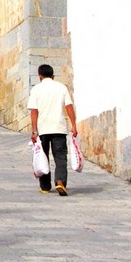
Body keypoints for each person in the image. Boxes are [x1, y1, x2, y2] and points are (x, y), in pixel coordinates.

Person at [27, 64, 78, 196]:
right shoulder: (61, 87)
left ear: (40, 76)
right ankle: (60, 181)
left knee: (42, 156)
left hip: (42, 129)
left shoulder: (36, 89)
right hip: (59, 128)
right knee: (60, 156)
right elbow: (69, 106)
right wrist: (74, 125)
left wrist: (34, 131)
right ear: (53, 75)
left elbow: (34, 111)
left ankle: (45, 186)